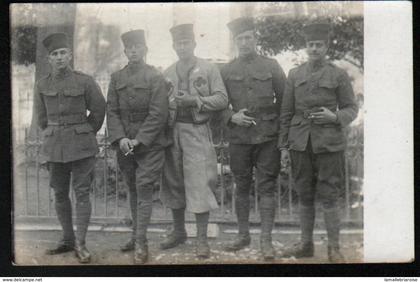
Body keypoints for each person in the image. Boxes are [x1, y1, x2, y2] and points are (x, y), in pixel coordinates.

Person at [278, 23, 358, 263]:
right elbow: (286, 112)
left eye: (319, 45)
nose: (314, 49)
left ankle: (334, 248)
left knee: (329, 195)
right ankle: (306, 245)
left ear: (326, 46)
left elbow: (351, 108)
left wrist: (335, 117)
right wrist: (284, 146)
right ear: (306, 47)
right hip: (301, 143)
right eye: (311, 45)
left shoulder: (338, 75)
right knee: (304, 194)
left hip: (329, 143)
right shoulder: (295, 74)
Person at [33, 32, 106, 263]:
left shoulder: (85, 81)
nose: (60, 57)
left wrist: (85, 131)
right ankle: (67, 238)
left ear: (70, 55)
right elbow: (42, 118)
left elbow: (98, 110)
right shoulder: (42, 84)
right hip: (55, 147)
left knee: (82, 193)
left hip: (82, 147)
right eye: (55, 54)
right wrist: (52, 134)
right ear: (49, 59)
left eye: (63, 52)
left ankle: (81, 243)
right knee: (60, 193)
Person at [159, 23, 228, 259]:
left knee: (200, 183)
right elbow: (160, 103)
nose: (182, 47)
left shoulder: (208, 69)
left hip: (198, 131)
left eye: (186, 42)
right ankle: (178, 231)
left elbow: (221, 99)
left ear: (194, 44)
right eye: (178, 43)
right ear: (173, 46)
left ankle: (201, 239)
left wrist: (195, 101)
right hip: (173, 132)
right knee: (173, 181)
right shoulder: (167, 72)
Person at [220, 17, 286, 261]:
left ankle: (266, 240)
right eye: (240, 38)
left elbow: (285, 102)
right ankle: (242, 235)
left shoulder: (271, 66)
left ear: (255, 39)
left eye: (249, 37)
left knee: (267, 186)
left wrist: (280, 133)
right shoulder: (226, 70)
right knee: (241, 186)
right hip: (239, 138)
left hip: (267, 138)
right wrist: (231, 116)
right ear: (235, 41)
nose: (245, 42)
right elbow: (218, 104)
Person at [106, 29, 169, 264]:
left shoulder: (155, 77)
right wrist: (121, 138)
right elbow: (111, 110)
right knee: (132, 189)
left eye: (138, 47)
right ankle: (135, 235)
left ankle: (141, 242)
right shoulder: (116, 78)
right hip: (125, 146)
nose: (133, 51)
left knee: (143, 188)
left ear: (145, 50)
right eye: (129, 48)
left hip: (150, 145)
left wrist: (139, 139)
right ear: (125, 51)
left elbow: (158, 113)